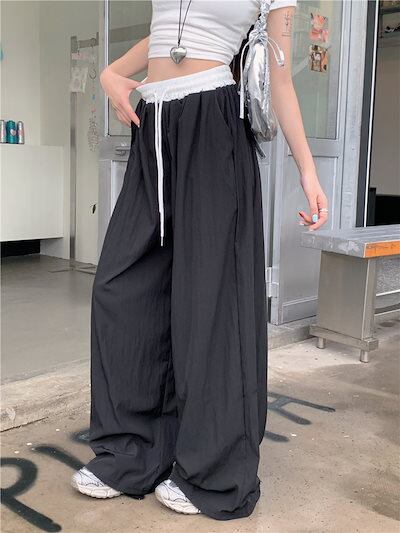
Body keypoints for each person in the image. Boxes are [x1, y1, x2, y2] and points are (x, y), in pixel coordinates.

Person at [71, 0, 328, 521]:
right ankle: (134, 452)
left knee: (211, 302)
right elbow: (167, 29)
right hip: (154, 123)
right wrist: (112, 72)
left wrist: (307, 170)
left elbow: (280, 79)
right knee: (122, 288)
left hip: (213, 120)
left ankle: (213, 468)